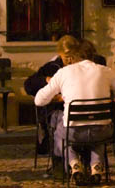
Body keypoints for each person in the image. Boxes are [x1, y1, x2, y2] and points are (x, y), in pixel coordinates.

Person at [35, 48, 115, 186]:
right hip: (101, 132)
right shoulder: (105, 71)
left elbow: (39, 100)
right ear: (93, 57)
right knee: (98, 131)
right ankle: (96, 168)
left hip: (73, 132)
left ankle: (74, 164)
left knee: (59, 130)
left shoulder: (63, 72)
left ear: (72, 59)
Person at [24, 34, 80, 164]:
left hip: (79, 110)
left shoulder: (84, 67)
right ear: (60, 54)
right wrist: (45, 80)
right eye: (67, 57)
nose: (70, 61)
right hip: (57, 110)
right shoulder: (52, 67)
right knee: (61, 123)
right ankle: (63, 164)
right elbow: (29, 85)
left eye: (73, 56)